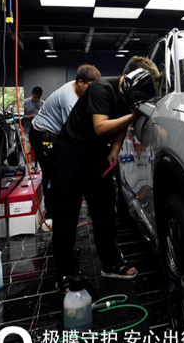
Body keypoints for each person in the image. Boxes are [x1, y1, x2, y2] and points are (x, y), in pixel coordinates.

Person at [52, 56, 160, 292]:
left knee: (104, 211)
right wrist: (133, 117)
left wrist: (115, 150)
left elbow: (120, 125)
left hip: (95, 154)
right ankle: (65, 273)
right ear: (128, 78)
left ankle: (111, 263)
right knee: (67, 215)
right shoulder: (101, 88)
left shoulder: (130, 95)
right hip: (71, 153)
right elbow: (101, 127)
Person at [29, 65, 101, 219]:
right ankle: (51, 212)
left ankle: (62, 202)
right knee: (52, 171)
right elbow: (74, 132)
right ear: (80, 82)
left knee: (61, 168)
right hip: (43, 134)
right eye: (91, 86)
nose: (93, 90)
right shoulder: (69, 101)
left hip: (54, 133)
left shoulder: (76, 88)